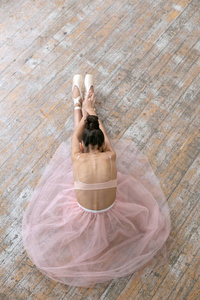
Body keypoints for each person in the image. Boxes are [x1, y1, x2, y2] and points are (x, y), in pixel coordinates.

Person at [22, 74, 172, 287]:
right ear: (102, 147)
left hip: (82, 211)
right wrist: (92, 112)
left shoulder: (77, 156)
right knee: (91, 144)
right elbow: (103, 137)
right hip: (110, 209)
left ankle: (76, 103)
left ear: (83, 147)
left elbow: (76, 136)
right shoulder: (110, 156)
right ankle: (84, 103)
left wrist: (83, 115)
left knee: (75, 156)